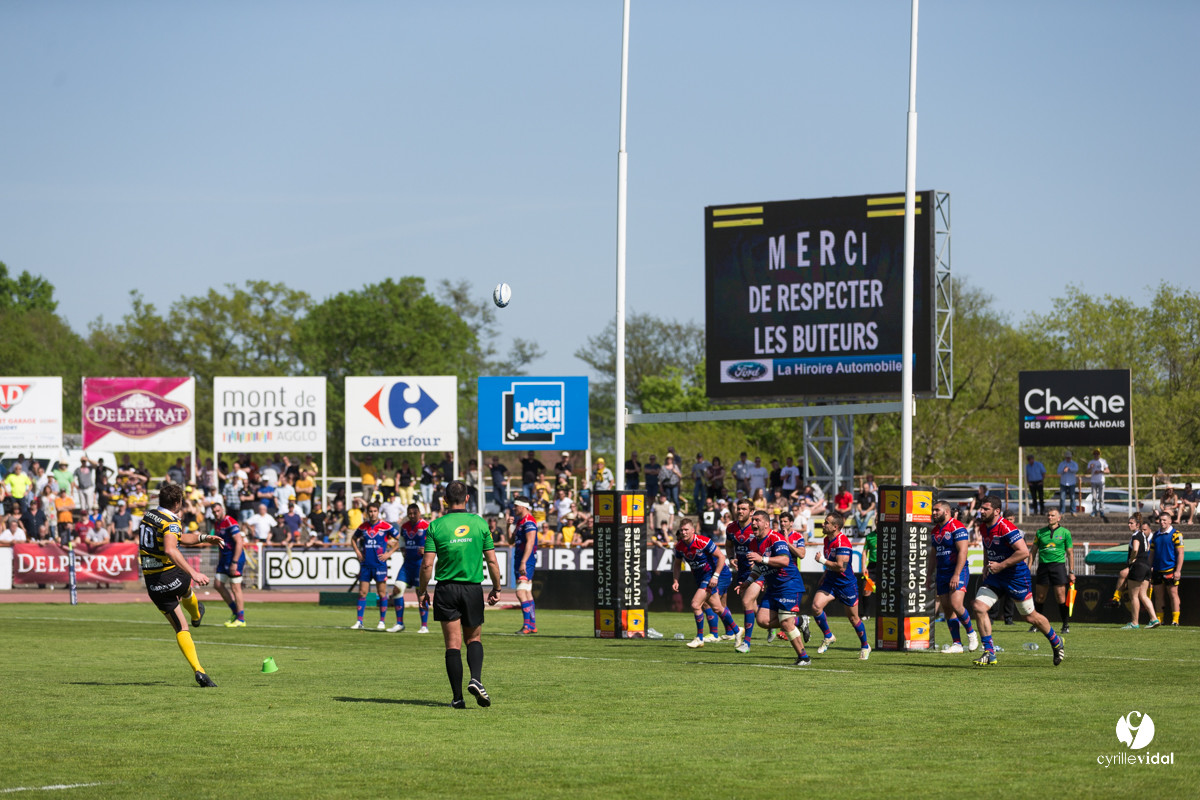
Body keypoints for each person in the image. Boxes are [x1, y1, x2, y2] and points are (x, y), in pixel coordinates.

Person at [417, 480, 502, 709]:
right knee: (474, 639)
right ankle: (476, 679)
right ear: (467, 498)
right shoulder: (479, 523)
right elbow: (492, 561)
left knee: (452, 645)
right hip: (472, 588)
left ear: (444, 500)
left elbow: (427, 565)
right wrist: (496, 588)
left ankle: (457, 698)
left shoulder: (435, 526)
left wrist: (422, 591)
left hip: (446, 589)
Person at [137, 483, 225, 687]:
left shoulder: (149, 516)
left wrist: (203, 538)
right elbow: (171, 548)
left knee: (181, 627)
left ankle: (199, 671)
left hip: (153, 582)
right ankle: (196, 614)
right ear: (177, 503)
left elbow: (178, 537)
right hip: (171, 575)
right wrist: (194, 572)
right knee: (185, 587)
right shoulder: (172, 521)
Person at [970, 495, 1065, 667]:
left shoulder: (1006, 527)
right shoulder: (983, 527)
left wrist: (1001, 565)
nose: (981, 511)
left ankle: (1056, 641)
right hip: (996, 576)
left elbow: (1023, 552)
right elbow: (987, 546)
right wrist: (986, 565)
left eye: (985, 509)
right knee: (978, 606)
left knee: (1030, 617)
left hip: (1016, 577)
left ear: (996, 511)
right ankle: (989, 652)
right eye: (981, 508)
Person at [738, 509, 811, 664]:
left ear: (766, 524)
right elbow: (758, 567)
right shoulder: (753, 542)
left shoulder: (776, 538)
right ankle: (799, 621)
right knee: (762, 620)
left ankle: (804, 658)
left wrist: (762, 559)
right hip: (773, 587)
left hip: (789, 584)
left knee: (785, 622)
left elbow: (785, 560)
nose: (753, 523)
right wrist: (747, 582)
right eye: (753, 520)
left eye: (757, 520)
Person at [671, 518, 743, 649]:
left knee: (696, 604)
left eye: (686, 530)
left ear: (693, 530)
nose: (684, 532)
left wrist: (715, 576)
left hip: (712, 575)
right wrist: (676, 580)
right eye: (681, 530)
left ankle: (700, 638)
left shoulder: (703, 541)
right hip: (701, 577)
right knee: (717, 608)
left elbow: (721, 557)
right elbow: (677, 564)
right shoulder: (679, 546)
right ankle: (737, 631)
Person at [810, 511, 871, 660]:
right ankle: (828, 636)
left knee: (853, 618)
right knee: (816, 606)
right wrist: (825, 574)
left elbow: (841, 567)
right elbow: (831, 562)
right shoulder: (827, 539)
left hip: (845, 584)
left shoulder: (842, 542)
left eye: (826, 522)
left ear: (835, 527)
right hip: (831, 581)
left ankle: (865, 646)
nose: (823, 524)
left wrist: (822, 561)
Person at [931, 500, 979, 653]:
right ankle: (957, 644)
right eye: (933, 510)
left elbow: (963, 552)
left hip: (958, 571)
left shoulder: (957, 527)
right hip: (942, 572)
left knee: (956, 604)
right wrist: (928, 575)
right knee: (946, 608)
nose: (933, 513)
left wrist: (956, 574)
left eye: (937, 510)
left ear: (946, 512)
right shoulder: (935, 531)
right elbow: (933, 555)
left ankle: (971, 633)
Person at [350, 502, 400, 630]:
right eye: (370, 511)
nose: (372, 514)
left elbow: (401, 539)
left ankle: (382, 621)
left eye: (375, 511)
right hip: (366, 565)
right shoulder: (363, 527)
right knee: (362, 593)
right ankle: (359, 621)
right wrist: (358, 552)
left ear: (378, 512)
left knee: (382, 593)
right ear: (367, 513)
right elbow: (353, 539)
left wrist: (389, 553)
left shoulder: (386, 526)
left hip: (380, 565)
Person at [1029, 508, 1075, 634]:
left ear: (1058, 518)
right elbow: (1033, 551)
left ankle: (1065, 624)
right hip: (1043, 567)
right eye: (1048, 515)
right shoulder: (1040, 532)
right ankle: (1036, 624)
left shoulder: (1065, 532)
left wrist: (1071, 571)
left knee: (1060, 597)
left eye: (1052, 515)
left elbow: (1070, 553)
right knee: (1040, 597)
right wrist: (1028, 567)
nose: (1049, 517)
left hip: (1058, 567)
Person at [388, 504, 430, 633]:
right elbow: (401, 540)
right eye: (409, 513)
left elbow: (435, 541)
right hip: (407, 565)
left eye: (414, 513)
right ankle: (399, 623)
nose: (411, 516)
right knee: (396, 589)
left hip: (420, 565)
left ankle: (424, 626)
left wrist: (426, 549)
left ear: (419, 513)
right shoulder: (405, 527)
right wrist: (402, 549)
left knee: (420, 594)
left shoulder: (426, 526)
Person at [725, 499, 761, 649]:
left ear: (751, 512)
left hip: (758, 571)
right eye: (738, 508)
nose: (740, 511)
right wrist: (731, 558)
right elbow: (729, 545)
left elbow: (767, 546)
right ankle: (771, 624)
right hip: (741, 571)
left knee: (746, 602)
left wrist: (759, 560)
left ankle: (746, 642)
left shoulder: (757, 527)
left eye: (744, 509)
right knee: (752, 606)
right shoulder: (731, 528)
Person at [209, 501, 247, 628]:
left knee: (235, 587)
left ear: (223, 510)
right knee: (218, 584)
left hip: (234, 558)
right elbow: (221, 544)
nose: (216, 513)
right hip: (224, 558)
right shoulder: (217, 524)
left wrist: (235, 562)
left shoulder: (230, 521)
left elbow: (239, 542)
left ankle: (241, 619)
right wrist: (220, 561)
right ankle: (235, 612)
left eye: (218, 511)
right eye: (214, 512)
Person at [1149, 510, 1185, 626]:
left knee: (1173, 594)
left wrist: (1178, 570)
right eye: (1160, 520)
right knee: (1158, 596)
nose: (1162, 522)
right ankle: (1159, 619)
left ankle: (1175, 620)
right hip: (1157, 570)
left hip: (1170, 569)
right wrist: (1149, 567)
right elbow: (1152, 553)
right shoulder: (1155, 535)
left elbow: (1180, 553)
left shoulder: (1176, 534)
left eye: (1164, 520)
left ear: (1170, 521)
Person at [1122, 517, 1159, 629]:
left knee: (1133, 596)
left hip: (1138, 566)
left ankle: (1134, 622)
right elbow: (1147, 548)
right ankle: (1154, 619)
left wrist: (1131, 559)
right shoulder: (1144, 535)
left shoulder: (1136, 536)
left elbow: (1135, 549)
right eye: (1128, 523)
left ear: (1137, 525)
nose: (1129, 525)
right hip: (1146, 565)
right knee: (1143, 595)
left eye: (1131, 523)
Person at [510, 497, 539, 634]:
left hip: (526, 560)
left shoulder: (529, 521)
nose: (514, 508)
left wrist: (523, 562)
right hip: (521, 559)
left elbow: (530, 542)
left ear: (522, 506)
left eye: (516, 506)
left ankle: (527, 625)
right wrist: (508, 526)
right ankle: (532, 625)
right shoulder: (520, 522)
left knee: (520, 592)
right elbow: (511, 541)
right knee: (527, 592)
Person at [1086, 448, 1111, 522]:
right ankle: (1094, 510)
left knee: (1101, 497)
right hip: (1093, 481)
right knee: (1094, 497)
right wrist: (1091, 467)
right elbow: (1087, 471)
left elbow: (1108, 471)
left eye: (1097, 454)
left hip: (1101, 481)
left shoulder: (1103, 461)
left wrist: (1101, 471)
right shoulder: (1091, 462)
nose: (1096, 455)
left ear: (1099, 454)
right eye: (1095, 454)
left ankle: (1101, 510)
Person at [1057, 450, 1079, 515]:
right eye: (1067, 457)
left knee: (1072, 497)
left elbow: (1076, 469)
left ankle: (1073, 511)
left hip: (1072, 482)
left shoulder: (1074, 463)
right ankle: (1062, 511)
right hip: (1063, 483)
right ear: (1065, 457)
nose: (1068, 458)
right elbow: (1058, 472)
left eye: (1069, 457)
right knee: (1062, 498)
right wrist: (1063, 470)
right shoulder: (1062, 464)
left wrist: (1069, 468)